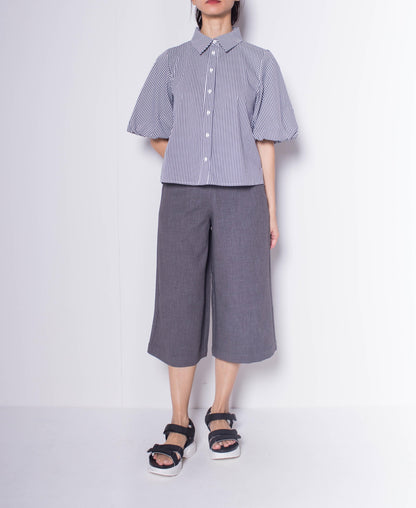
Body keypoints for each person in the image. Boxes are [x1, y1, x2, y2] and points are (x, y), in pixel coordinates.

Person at [126, 0, 298, 476]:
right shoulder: (170, 63)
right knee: (178, 300)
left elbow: (266, 142)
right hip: (181, 196)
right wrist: (186, 157)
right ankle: (179, 421)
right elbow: (155, 131)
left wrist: (271, 210)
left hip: (244, 196)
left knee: (240, 299)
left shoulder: (260, 63)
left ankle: (220, 410)